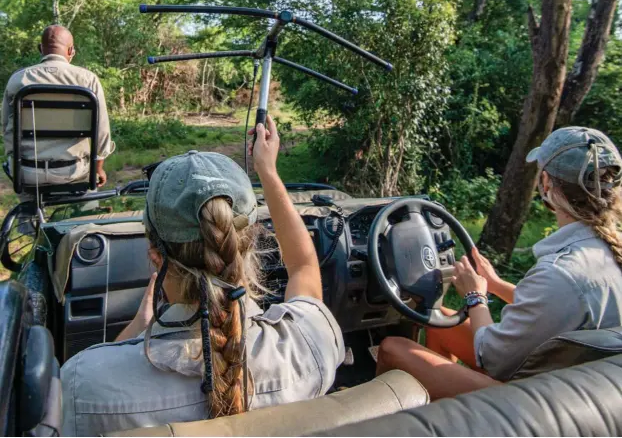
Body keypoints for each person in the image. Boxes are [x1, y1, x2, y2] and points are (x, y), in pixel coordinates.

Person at [60, 116, 345, 436]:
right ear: (248, 242)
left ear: (155, 256)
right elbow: (304, 267)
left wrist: (138, 328)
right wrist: (268, 171)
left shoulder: (84, 384)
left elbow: (102, 371)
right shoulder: (309, 344)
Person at [377, 126, 622, 400]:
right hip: (575, 390)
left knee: (391, 348)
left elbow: (490, 357)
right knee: (440, 320)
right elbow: (558, 308)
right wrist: (495, 284)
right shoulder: (604, 252)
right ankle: (445, 417)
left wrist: (475, 297)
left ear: (546, 183)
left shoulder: (560, 273)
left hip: (531, 404)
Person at [2, 25, 115, 191]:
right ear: (71, 51)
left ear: (41, 49)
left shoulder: (18, 80)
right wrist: (98, 169)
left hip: (27, 172)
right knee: (86, 204)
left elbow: (5, 125)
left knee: (27, 200)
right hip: (73, 171)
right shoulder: (87, 80)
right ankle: (83, 215)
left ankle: (28, 216)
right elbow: (102, 130)